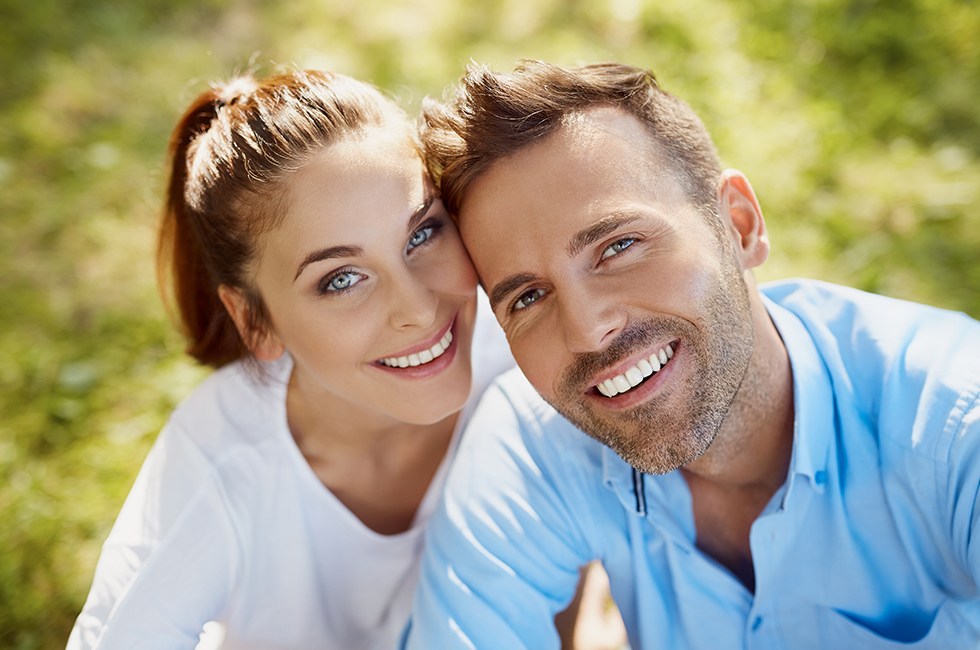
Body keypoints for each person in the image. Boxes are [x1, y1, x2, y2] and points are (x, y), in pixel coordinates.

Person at [404, 60, 980, 649]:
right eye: (527, 296)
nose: (587, 330)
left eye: (618, 246)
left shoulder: (955, 421)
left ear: (739, 224)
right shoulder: (535, 446)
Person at [65, 68, 519, 649]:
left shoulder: (519, 359)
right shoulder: (220, 465)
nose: (419, 310)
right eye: (342, 278)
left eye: (422, 233)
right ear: (255, 320)